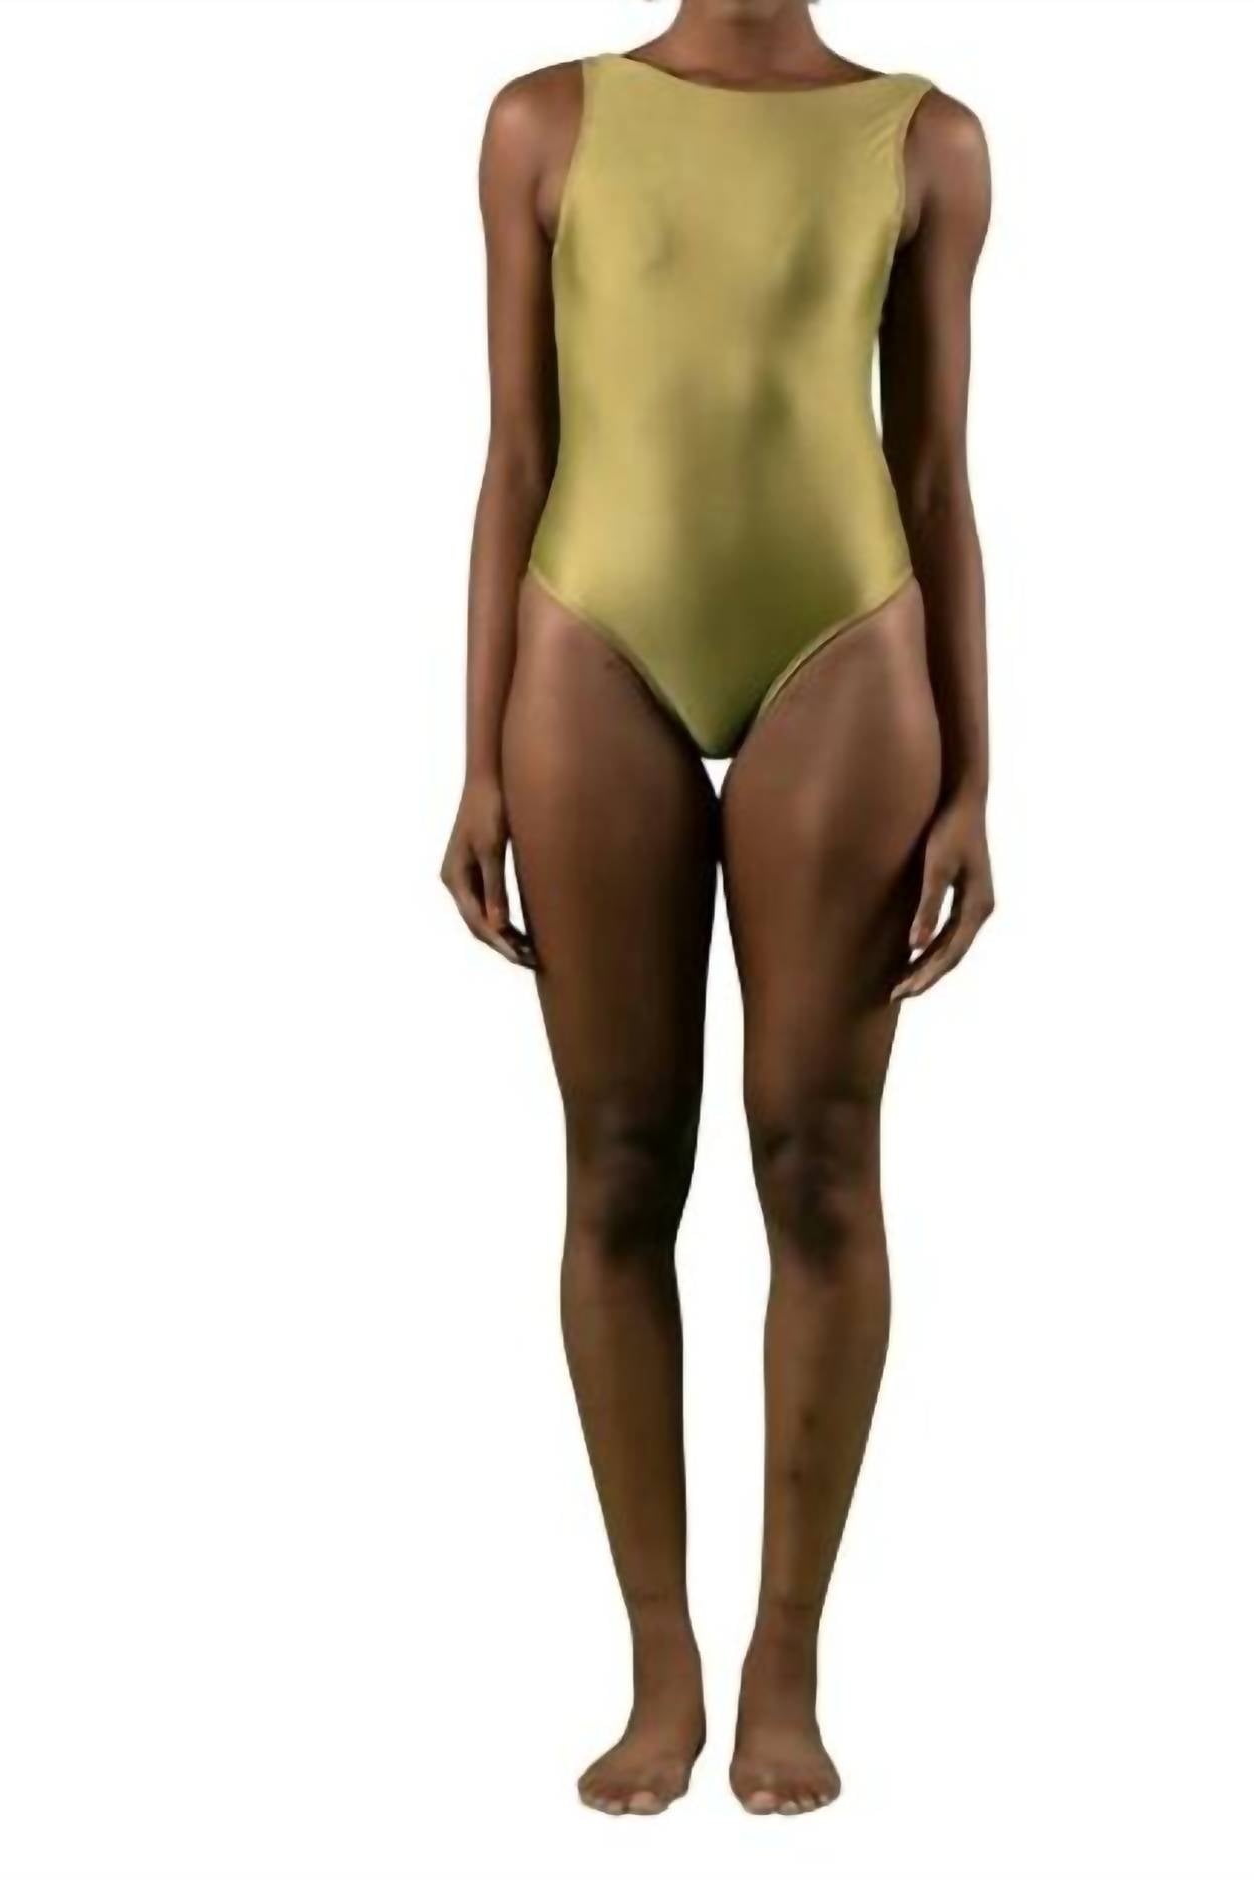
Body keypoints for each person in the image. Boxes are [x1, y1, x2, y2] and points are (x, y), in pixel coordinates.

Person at [441, 0, 993, 1818]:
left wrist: (978, 778)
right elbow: (516, 456)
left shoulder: (925, 140)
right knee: (617, 1161)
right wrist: (477, 761)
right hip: (589, 635)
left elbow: (934, 475)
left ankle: (788, 1657)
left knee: (816, 1158)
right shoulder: (542, 122)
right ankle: (659, 1654)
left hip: (850, 640)